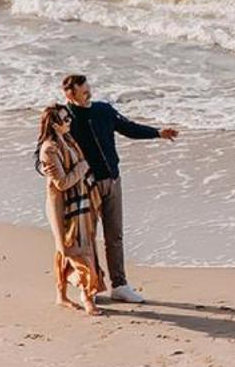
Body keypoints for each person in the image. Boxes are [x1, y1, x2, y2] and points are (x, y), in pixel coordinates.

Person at [59, 72, 179, 303]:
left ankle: (120, 285)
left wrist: (157, 133)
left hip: (113, 181)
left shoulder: (103, 110)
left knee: (115, 236)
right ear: (69, 93)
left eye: (88, 89)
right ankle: (89, 287)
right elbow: (51, 144)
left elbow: (128, 128)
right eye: (83, 91)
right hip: (85, 186)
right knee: (87, 238)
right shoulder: (65, 117)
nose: (88, 94)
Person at [36, 103, 101, 314]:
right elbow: (61, 184)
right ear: (54, 125)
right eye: (65, 120)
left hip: (79, 203)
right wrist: (82, 167)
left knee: (69, 250)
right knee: (76, 252)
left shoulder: (68, 140)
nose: (69, 122)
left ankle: (61, 295)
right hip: (62, 208)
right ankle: (87, 297)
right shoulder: (49, 149)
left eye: (69, 118)